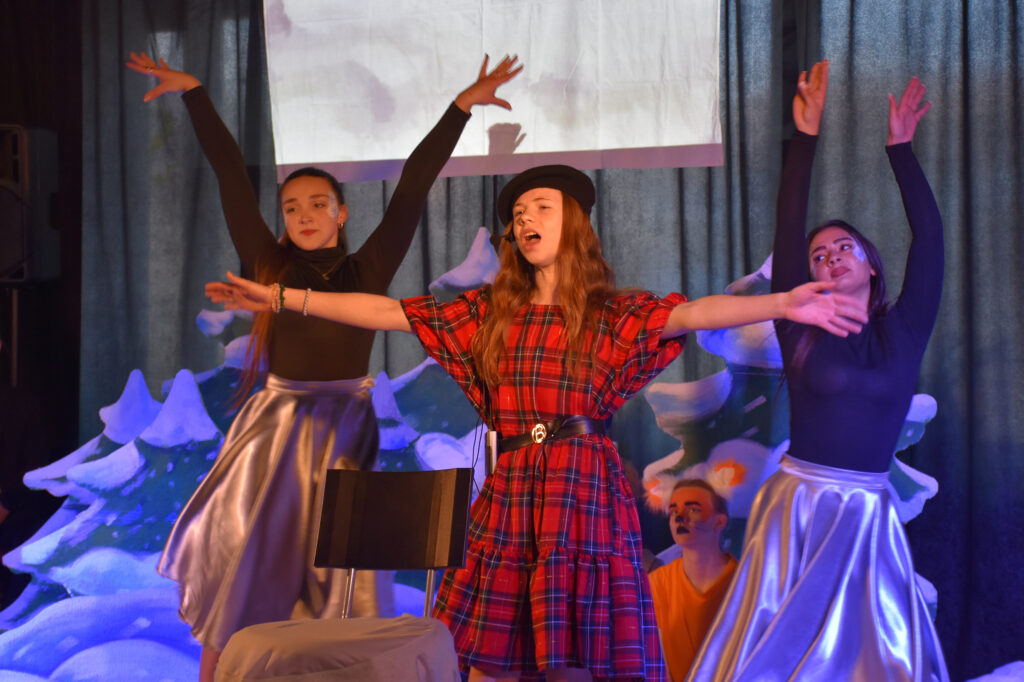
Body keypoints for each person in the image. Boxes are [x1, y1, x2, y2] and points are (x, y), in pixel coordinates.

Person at [207, 163, 867, 681]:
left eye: (541, 208)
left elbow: (691, 314)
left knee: (574, 653)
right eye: (519, 213)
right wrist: (280, 297)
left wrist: (783, 303)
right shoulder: (490, 313)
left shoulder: (611, 313)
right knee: (493, 653)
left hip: (581, 487)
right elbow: (384, 313)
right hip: (515, 485)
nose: (526, 219)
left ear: (572, 221)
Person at [126, 51, 521, 681]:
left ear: (342, 212)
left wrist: (460, 108)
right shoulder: (271, 265)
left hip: (345, 426)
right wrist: (196, 91)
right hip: (275, 426)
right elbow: (230, 176)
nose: (304, 215)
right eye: (291, 207)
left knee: (336, 567)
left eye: (317, 204)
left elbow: (413, 186)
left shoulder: (368, 269)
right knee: (248, 561)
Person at [687, 62, 949, 681]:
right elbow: (788, 223)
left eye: (843, 248)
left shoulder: (905, 329)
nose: (831, 258)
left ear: (871, 264)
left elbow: (931, 239)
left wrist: (901, 150)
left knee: (867, 660)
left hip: (868, 513)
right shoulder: (799, 326)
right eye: (819, 255)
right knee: (780, 657)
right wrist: (803, 137)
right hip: (799, 507)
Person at [648, 480, 737, 682]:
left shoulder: (746, 583)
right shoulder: (657, 584)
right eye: (673, 511)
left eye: (693, 510)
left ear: (719, 522)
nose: (679, 517)